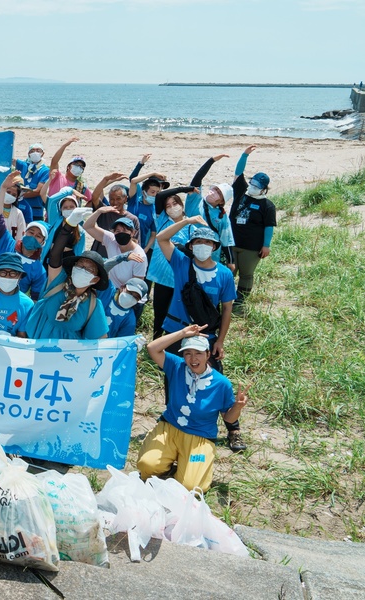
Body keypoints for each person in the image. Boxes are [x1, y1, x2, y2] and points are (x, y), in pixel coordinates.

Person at [156, 217, 245, 452]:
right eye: (198, 242)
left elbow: (227, 309)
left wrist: (221, 341)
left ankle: (233, 428)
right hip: (176, 330)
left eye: (208, 242)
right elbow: (161, 238)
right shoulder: (181, 262)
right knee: (173, 375)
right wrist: (186, 221)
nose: (203, 246)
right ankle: (171, 420)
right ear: (191, 245)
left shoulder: (224, 274)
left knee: (216, 377)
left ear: (215, 247)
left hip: (206, 335)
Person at [137, 325, 248, 493]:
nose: (193, 358)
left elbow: (229, 419)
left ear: (208, 355)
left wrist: (238, 407)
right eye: (188, 353)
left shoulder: (222, 383)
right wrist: (182, 333)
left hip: (200, 437)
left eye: (198, 353)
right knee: (146, 466)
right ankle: (170, 467)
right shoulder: (177, 366)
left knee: (192, 487)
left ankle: (188, 467)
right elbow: (152, 348)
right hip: (170, 428)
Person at [18, 207, 109, 340]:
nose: (82, 269)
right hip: (35, 347)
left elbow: (101, 339)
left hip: (66, 357)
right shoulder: (58, 281)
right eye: (80, 265)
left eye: (89, 269)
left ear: (95, 279)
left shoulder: (93, 304)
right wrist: (68, 227)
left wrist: (124, 347)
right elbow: (55, 254)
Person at [229, 145, 276, 312]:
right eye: (253, 183)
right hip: (232, 241)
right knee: (229, 273)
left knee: (246, 275)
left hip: (252, 247)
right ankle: (224, 302)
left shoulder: (268, 205)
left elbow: (269, 226)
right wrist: (244, 155)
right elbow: (238, 173)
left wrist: (266, 245)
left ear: (264, 189)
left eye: (258, 185)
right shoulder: (241, 191)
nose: (253, 187)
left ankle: (239, 305)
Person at [0, 171, 48, 300]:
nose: (33, 236)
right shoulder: (8, 243)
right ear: (24, 233)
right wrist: (3, 189)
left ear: (43, 242)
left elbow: (35, 299)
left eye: (38, 236)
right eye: (31, 232)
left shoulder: (39, 270)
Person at [147, 190, 193, 340]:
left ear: (181, 205)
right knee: (159, 312)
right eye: (168, 206)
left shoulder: (192, 227)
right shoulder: (163, 221)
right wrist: (184, 188)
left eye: (175, 203)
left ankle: (172, 343)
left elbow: (194, 253)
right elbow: (159, 196)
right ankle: (156, 341)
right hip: (162, 278)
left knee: (176, 314)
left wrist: (180, 248)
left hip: (179, 279)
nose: (172, 207)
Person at [82, 209, 148, 289]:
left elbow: (136, 286)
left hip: (127, 294)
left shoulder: (139, 256)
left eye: (125, 230)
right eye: (118, 231)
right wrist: (99, 211)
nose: (121, 233)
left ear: (133, 233)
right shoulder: (111, 240)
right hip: (111, 289)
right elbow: (87, 226)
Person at [46, 137, 90, 202]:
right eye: (76, 165)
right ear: (68, 167)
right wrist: (65, 145)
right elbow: (54, 161)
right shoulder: (57, 177)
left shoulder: (81, 186)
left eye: (81, 167)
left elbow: (92, 199)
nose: (79, 168)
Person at [15, 143, 50, 221]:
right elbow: (9, 159)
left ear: (42, 154)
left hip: (35, 211)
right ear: (28, 154)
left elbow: (38, 191)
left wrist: (18, 195)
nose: (35, 153)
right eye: (32, 151)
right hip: (19, 209)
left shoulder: (45, 170)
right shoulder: (24, 165)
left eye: (38, 150)